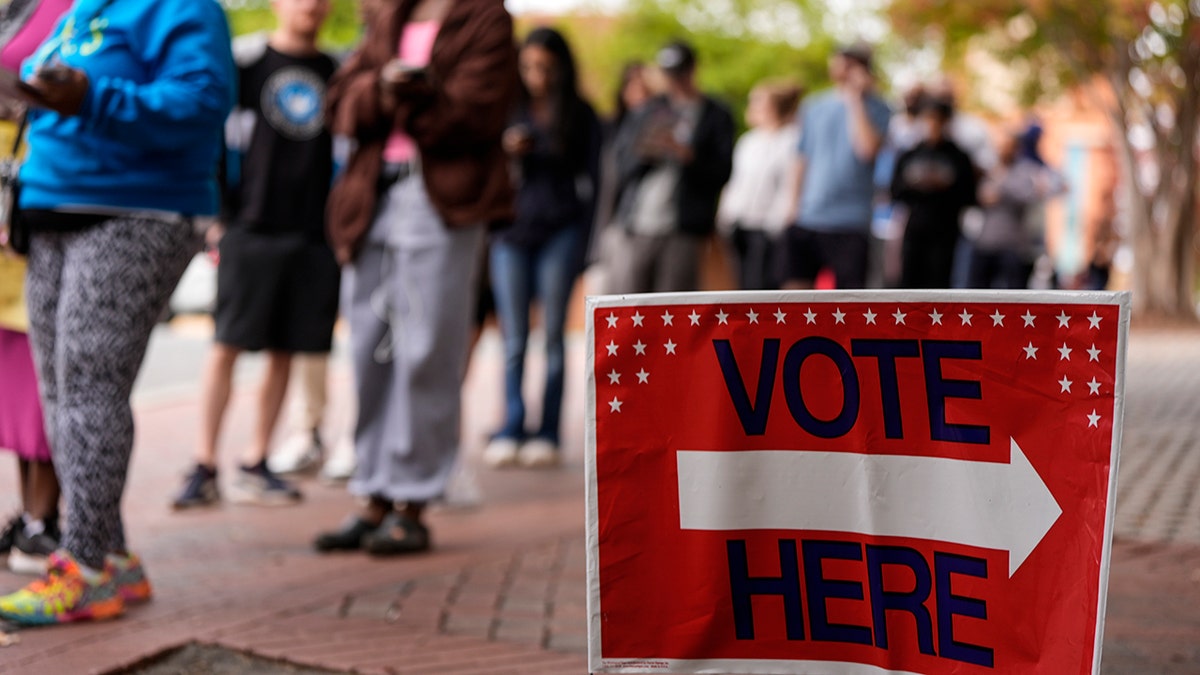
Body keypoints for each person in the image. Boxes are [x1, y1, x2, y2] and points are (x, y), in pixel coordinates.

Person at [0, 0, 233, 625]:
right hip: (52, 207)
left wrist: (90, 97)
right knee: (62, 393)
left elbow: (202, 103)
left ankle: (85, 567)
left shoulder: (183, 7)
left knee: (90, 389)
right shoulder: (79, 8)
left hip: (137, 211)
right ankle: (114, 554)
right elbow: (63, 100)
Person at [313, 0, 518, 555]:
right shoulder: (387, 12)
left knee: (427, 350)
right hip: (371, 196)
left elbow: (477, 113)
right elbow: (339, 102)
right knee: (367, 351)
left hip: (442, 201)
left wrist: (415, 94)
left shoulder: (487, 17)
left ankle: (413, 500)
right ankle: (372, 493)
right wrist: (382, 90)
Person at [172, 0, 338, 510]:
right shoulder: (244, 66)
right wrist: (219, 219)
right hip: (250, 227)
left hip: (313, 234)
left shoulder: (337, 72)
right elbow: (214, 140)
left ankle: (257, 460)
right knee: (227, 344)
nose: (310, 4)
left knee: (287, 348)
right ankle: (204, 464)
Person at [481, 27, 601, 469]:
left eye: (546, 68)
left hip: (561, 232)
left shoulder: (581, 114)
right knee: (513, 338)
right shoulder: (506, 109)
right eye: (529, 67)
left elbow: (595, 184)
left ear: (561, 69)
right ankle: (511, 424)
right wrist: (507, 150)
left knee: (553, 337)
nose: (537, 76)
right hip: (509, 233)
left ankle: (548, 431)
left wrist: (587, 247)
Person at [0, 0, 71, 578]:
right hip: (8, 194)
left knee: (43, 361)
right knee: (14, 367)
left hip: (36, 201)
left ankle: (44, 518)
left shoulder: (75, 9)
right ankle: (28, 515)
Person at [603, 41, 734, 294]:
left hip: (683, 229)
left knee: (673, 310)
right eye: (670, 73)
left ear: (693, 70)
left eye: (680, 72)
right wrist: (649, 151)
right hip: (636, 224)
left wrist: (688, 156)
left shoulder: (716, 114)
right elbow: (621, 164)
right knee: (631, 308)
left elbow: (723, 172)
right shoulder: (648, 110)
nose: (676, 80)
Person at [782, 43, 891, 290]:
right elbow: (802, 158)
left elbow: (867, 150)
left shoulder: (880, 107)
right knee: (793, 296)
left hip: (851, 221)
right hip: (808, 217)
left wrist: (855, 100)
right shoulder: (814, 106)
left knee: (848, 301)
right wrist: (792, 206)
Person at [717, 79, 801, 290]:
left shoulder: (791, 141)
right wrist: (725, 214)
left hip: (767, 229)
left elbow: (789, 187)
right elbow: (735, 181)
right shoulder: (748, 141)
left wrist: (778, 222)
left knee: (760, 285)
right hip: (739, 224)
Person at [890, 94, 978, 288]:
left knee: (939, 283)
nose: (932, 125)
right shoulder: (909, 155)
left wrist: (945, 185)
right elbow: (894, 192)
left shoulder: (958, 157)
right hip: (915, 228)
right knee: (909, 283)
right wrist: (917, 185)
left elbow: (969, 196)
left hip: (946, 230)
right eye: (928, 118)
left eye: (937, 119)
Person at [966, 130, 1050, 289]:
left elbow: (1029, 196)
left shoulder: (1025, 171)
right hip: (986, 241)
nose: (1003, 151)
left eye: (1008, 147)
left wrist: (1002, 190)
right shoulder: (989, 171)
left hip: (1014, 245)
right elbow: (980, 197)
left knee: (1014, 292)